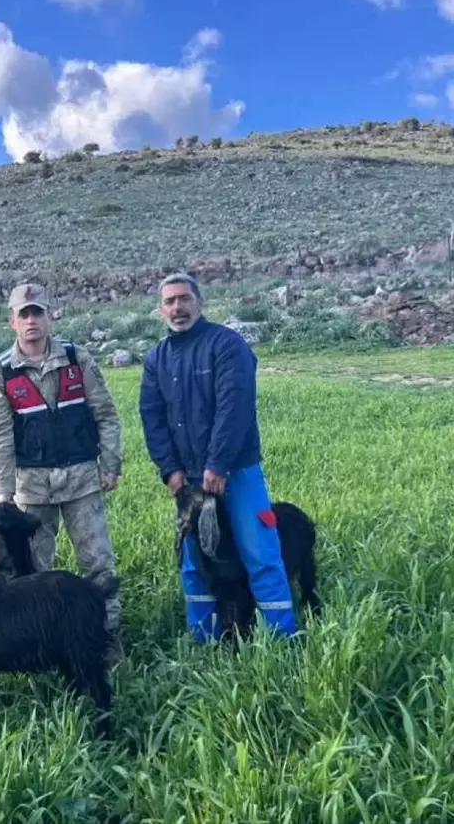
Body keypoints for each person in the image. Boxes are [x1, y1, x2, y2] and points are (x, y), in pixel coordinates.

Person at [138, 272, 298, 641]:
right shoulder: (156, 358)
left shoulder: (227, 345)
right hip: (188, 481)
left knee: (261, 555)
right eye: (170, 301)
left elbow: (235, 408)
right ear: (160, 309)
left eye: (184, 299)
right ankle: (203, 638)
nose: (178, 307)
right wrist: (170, 471)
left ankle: (282, 640)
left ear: (199, 302)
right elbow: (152, 417)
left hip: (237, 471)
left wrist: (218, 464)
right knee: (193, 563)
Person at [0, 282, 125, 656]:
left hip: (82, 481)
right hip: (32, 488)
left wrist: (110, 464)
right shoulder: (0, 374)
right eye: (23, 314)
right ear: (12, 321)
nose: (31, 320)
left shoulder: (79, 360)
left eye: (37, 312)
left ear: (50, 316)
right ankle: (42, 645)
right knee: (31, 574)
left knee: (98, 565)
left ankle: (106, 639)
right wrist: (3, 493)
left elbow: (106, 415)